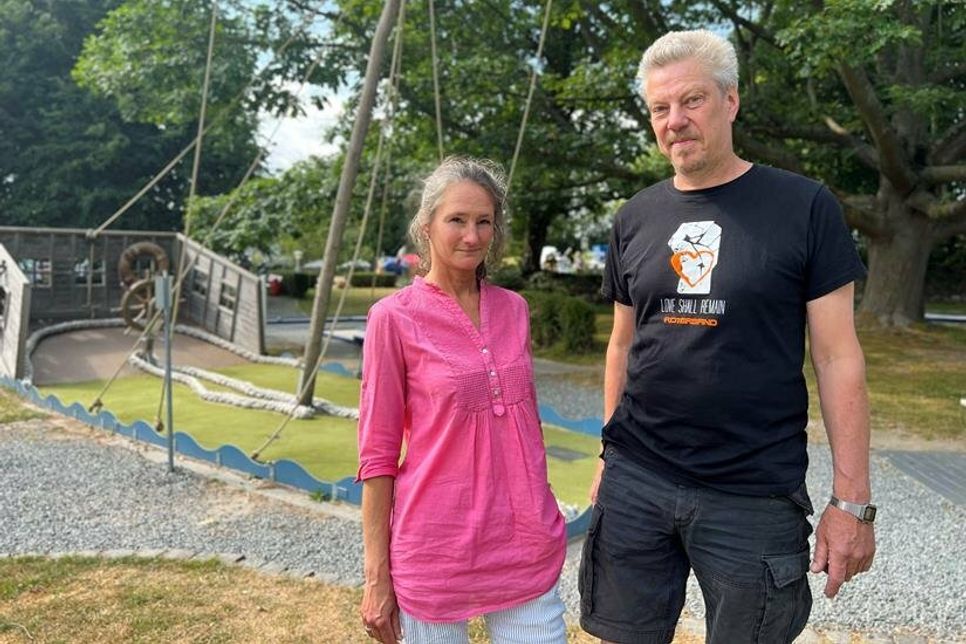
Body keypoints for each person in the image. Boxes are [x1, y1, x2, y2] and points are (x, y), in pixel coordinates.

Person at [579, 30, 876, 643]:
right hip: (638, 479)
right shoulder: (635, 217)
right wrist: (609, 457)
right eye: (660, 109)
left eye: (692, 101)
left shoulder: (804, 206)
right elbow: (622, 345)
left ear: (731, 101)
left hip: (752, 493)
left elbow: (838, 357)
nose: (675, 121)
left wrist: (851, 504)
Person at [357, 156, 568, 644]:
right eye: (457, 219)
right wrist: (376, 577)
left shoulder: (514, 310)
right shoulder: (393, 319)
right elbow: (377, 456)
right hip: (434, 551)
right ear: (426, 225)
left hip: (524, 545)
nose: (471, 235)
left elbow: (524, 427)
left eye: (483, 221)